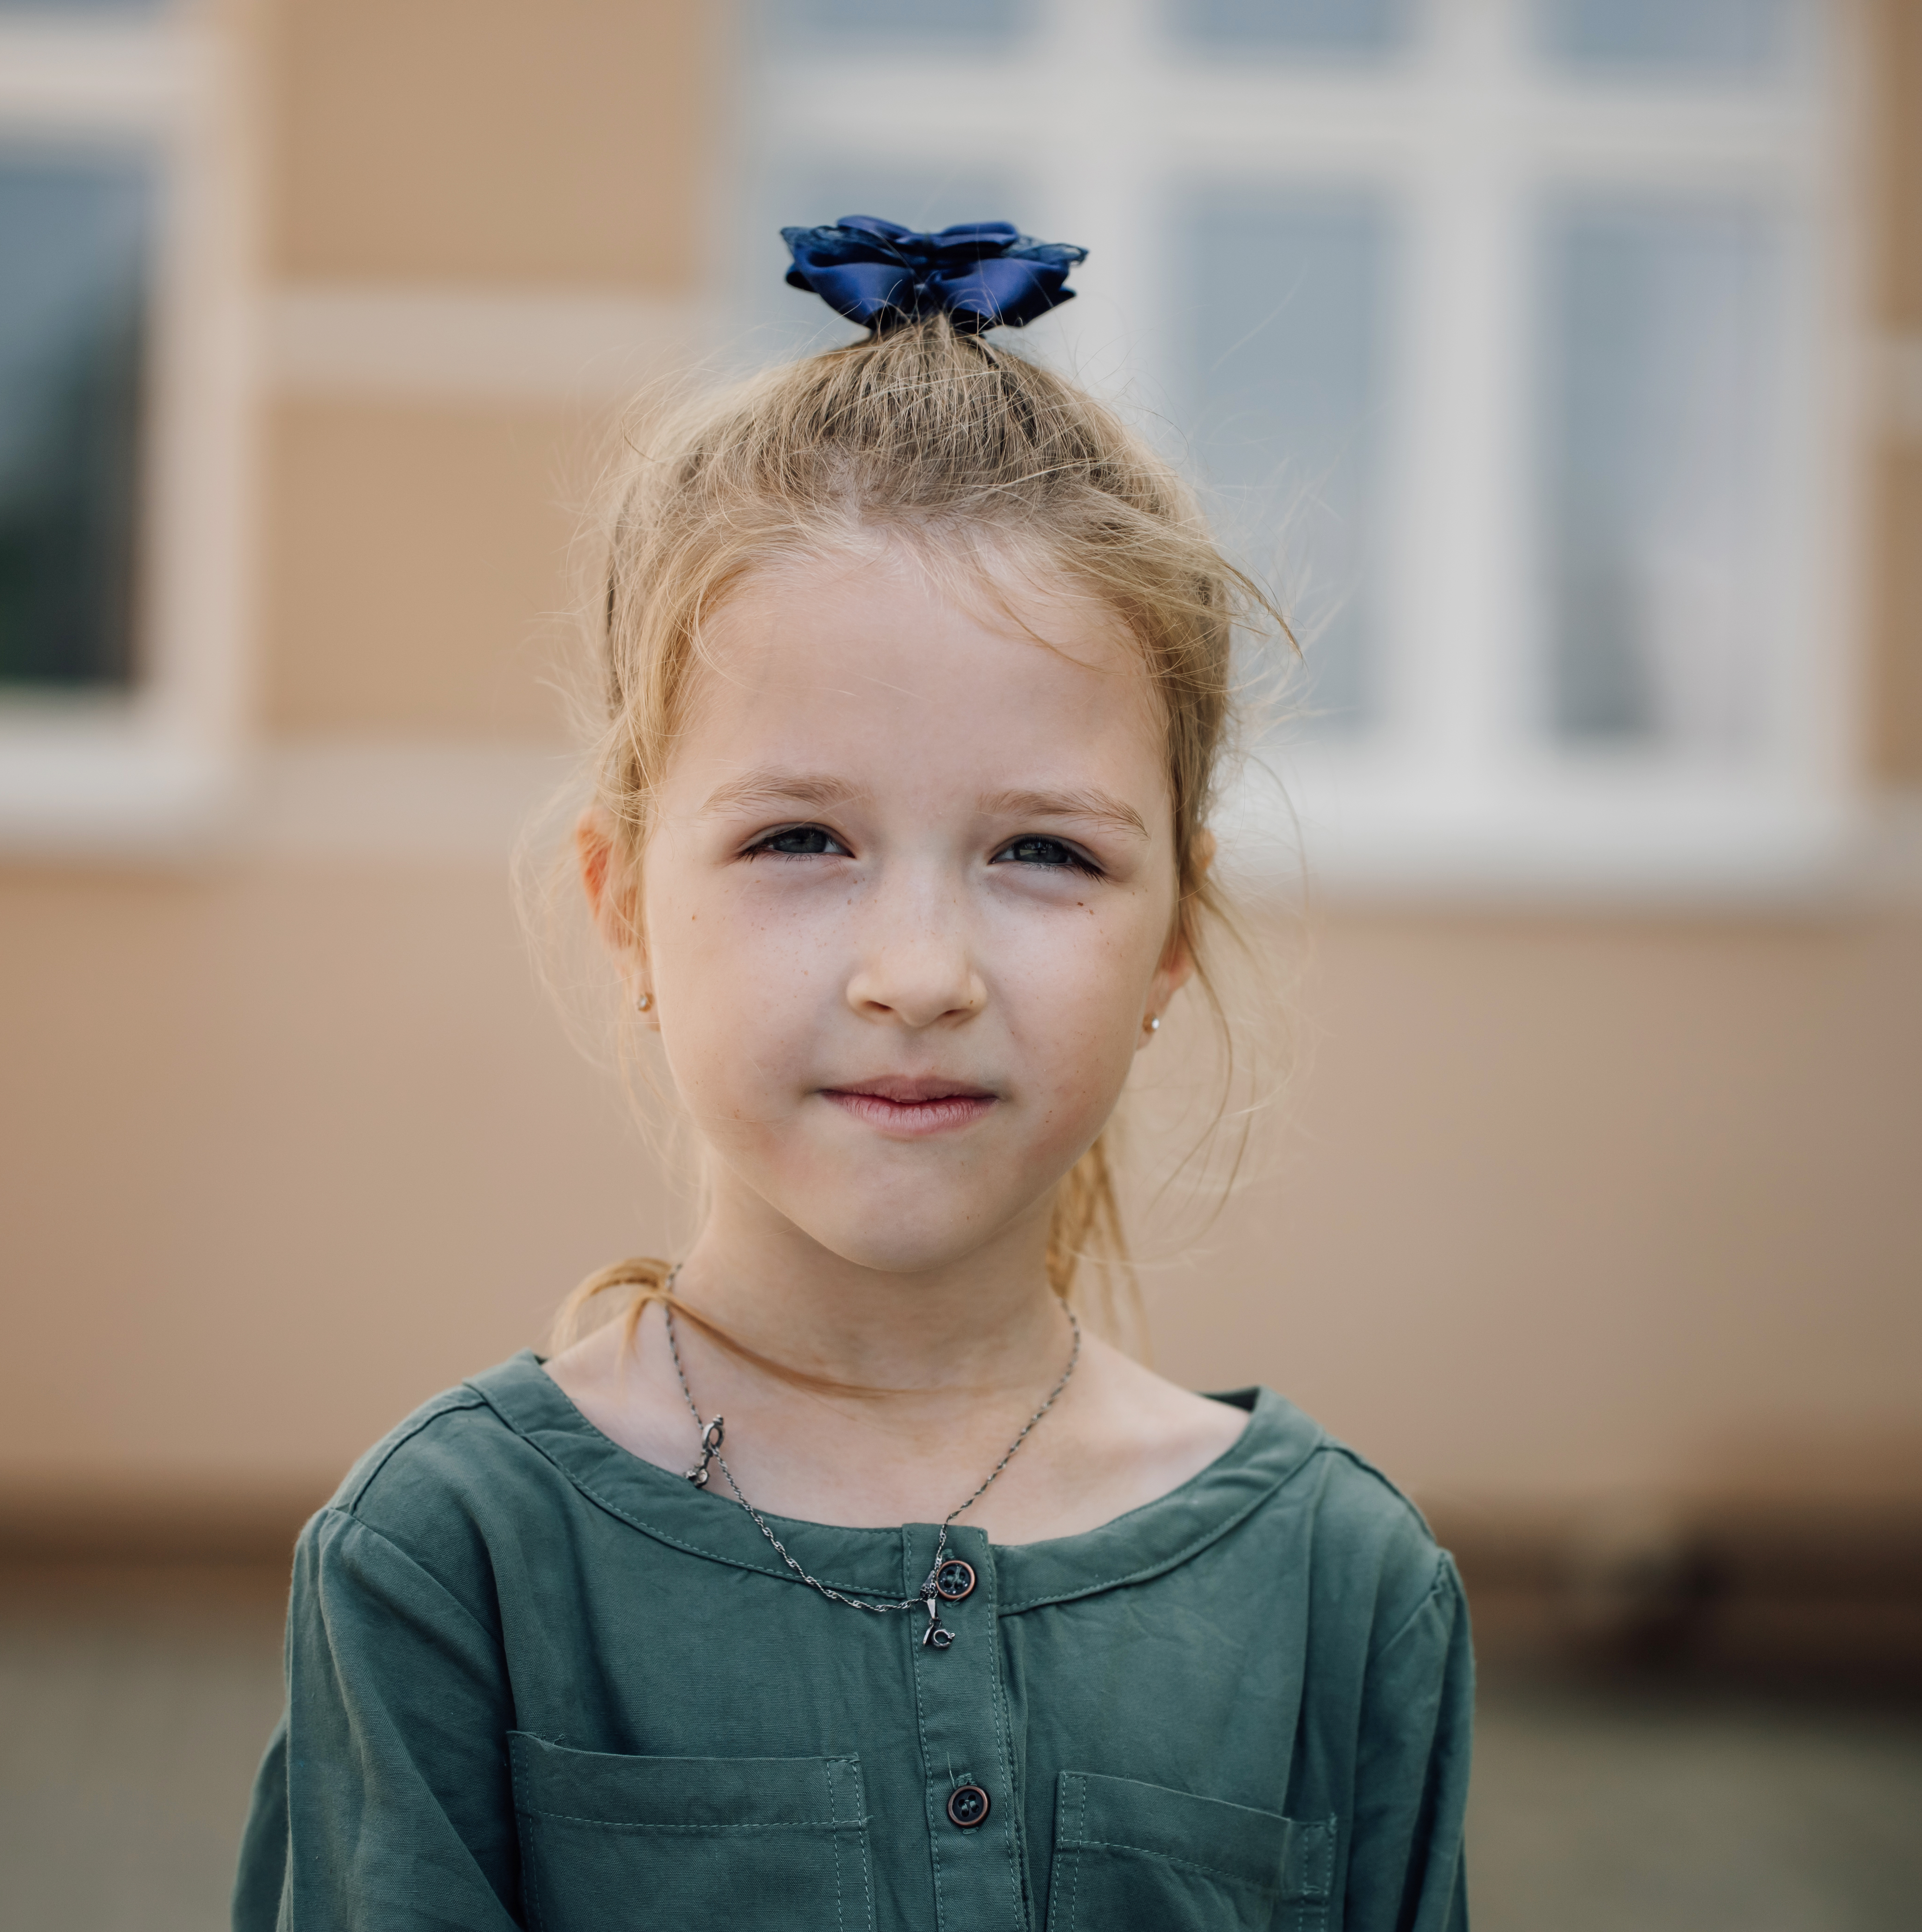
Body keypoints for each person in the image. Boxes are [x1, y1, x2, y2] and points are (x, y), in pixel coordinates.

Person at [232, 217, 1471, 1932]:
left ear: (1174, 930)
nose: (918, 977)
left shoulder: (1341, 1595)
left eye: (1043, 852)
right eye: (803, 837)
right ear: (628, 909)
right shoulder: (453, 1565)